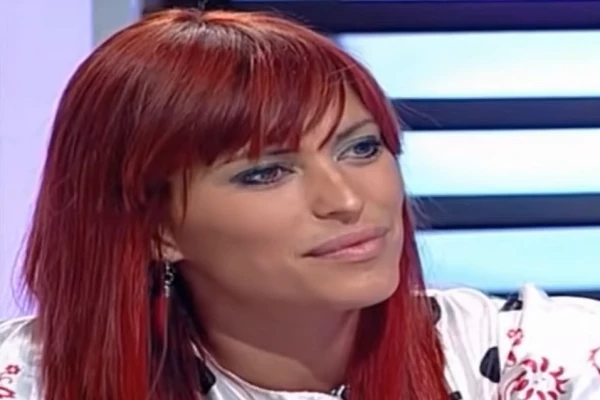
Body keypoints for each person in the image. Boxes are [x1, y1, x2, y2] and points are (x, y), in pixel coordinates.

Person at [0, 8, 599, 400]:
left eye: (361, 148)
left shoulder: (541, 360)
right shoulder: (27, 379)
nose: (346, 200)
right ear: (154, 227)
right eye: (266, 172)